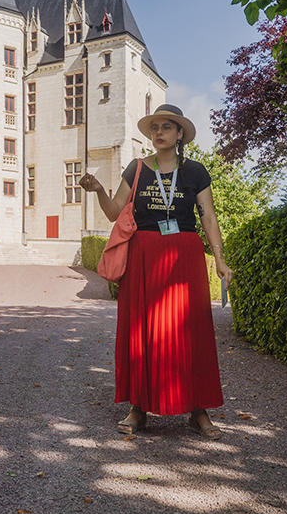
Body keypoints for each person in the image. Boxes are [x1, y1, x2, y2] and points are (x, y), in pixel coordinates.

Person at [80, 104, 233, 439]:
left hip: (185, 256)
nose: (159, 132)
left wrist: (219, 259)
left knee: (191, 331)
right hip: (144, 256)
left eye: (167, 127)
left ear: (180, 134)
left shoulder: (195, 172)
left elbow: (208, 217)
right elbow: (114, 213)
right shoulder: (136, 168)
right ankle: (139, 407)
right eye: (155, 128)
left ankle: (199, 409)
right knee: (142, 331)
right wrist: (99, 191)